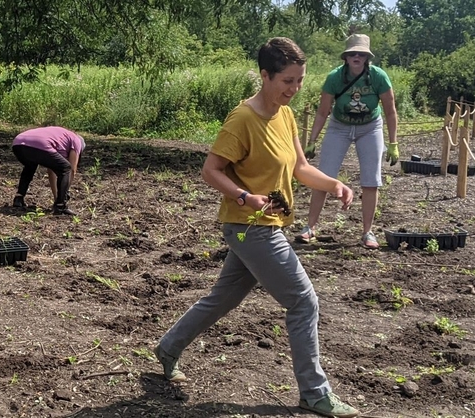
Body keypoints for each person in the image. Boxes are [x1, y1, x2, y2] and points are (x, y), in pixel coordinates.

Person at [153, 37, 361, 418]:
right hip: (251, 227)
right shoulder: (243, 119)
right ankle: (314, 393)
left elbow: (299, 167)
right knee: (303, 301)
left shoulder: (285, 115)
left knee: (223, 298)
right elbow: (210, 170)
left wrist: (333, 184)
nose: (294, 89)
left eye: (299, 81)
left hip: (266, 225)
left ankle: (168, 347)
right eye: (287, 81)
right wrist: (243, 196)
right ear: (265, 76)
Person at [299, 33, 400, 249]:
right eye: (352, 53)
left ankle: (367, 232)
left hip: (370, 127)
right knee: (323, 176)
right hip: (339, 126)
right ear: (346, 57)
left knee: (371, 180)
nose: (357, 56)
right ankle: (310, 227)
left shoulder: (379, 77)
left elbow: (391, 112)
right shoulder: (335, 77)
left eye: (361, 53)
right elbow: (323, 111)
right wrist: (312, 140)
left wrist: (393, 143)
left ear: (367, 57)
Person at [10, 126, 84, 216]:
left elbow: (51, 170)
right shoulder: (76, 140)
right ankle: (61, 207)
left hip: (18, 143)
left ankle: (19, 198)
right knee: (66, 168)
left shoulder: (60, 139)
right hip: (39, 144)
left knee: (30, 165)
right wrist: (64, 193)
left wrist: (57, 196)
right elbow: (71, 170)